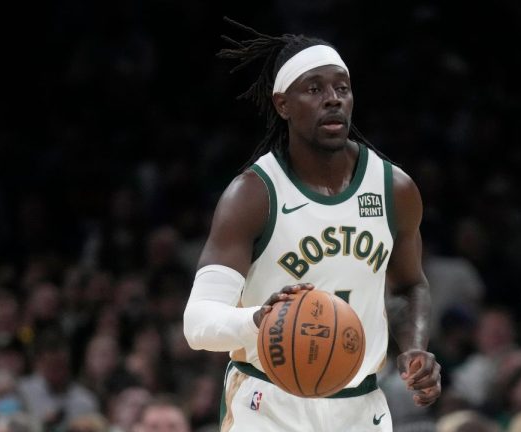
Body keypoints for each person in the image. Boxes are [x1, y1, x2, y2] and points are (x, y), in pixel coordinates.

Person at [182, 17, 442, 431]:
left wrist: (414, 348)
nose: (333, 99)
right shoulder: (253, 195)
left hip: (360, 404)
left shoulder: (394, 189)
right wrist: (259, 320)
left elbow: (409, 286)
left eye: (342, 87)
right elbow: (197, 324)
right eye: (315, 89)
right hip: (268, 401)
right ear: (282, 104)